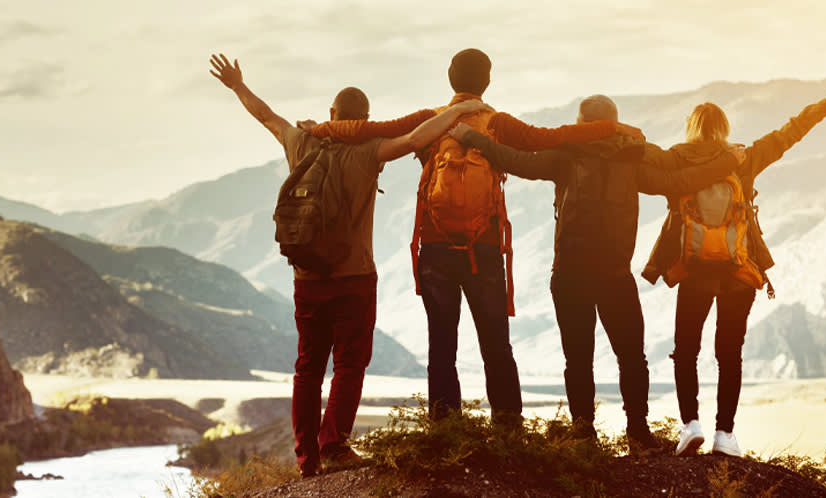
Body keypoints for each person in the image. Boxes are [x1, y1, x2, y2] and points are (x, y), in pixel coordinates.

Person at [306, 49, 643, 425]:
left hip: (435, 246)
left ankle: (445, 428)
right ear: (487, 81)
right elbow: (555, 136)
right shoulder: (499, 123)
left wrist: (322, 128)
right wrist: (611, 128)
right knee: (496, 343)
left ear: (451, 78)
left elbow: (371, 129)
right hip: (484, 247)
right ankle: (508, 425)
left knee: (442, 347)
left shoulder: (429, 122)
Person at [208, 52, 494, 477]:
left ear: (331, 114)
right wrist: (459, 110)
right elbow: (416, 139)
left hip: (306, 278)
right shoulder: (369, 152)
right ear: (364, 119)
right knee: (349, 364)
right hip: (354, 277)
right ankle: (335, 444)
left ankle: (306, 458)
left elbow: (266, 115)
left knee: (307, 368)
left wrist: (237, 85)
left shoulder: (300, 142)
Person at [446, 94, 741, 449]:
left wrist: (471, 137)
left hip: (569, 273)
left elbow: (515, 160)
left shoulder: (565, 156)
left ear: (581, 123)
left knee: (578, 358)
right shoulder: (629, 161)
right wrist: (725, 162)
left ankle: (584, 433)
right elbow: (679, 182)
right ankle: (638, 433)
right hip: (615, 276)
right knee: (632, 357)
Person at [641, 94, 826, 457]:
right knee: (729, 353)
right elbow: (787, 135)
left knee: (686, 350)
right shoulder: (743, 157)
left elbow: (639, 157)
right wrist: (820, 108)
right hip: (739, 271)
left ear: (691, 128)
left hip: (693, 271)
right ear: (724, 129)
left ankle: (691, 424)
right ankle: (725, 434)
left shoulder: (676, 159)